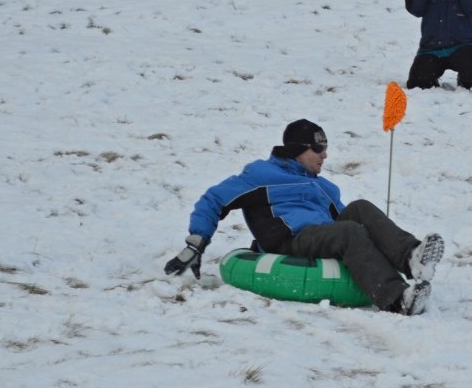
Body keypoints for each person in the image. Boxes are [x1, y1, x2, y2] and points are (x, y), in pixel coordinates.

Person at [164, 119, 444, 315]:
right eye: (318, 148)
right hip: (290, 241)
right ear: (298, 150)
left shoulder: (322, 186)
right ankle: (398, 301)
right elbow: (214, 199)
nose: (325, 154)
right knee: (348, 230)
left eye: (325, 147)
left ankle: (412, 258)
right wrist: (196, 242)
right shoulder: (261, 175)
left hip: (323, 237)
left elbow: (355, 223)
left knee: (359, 208)